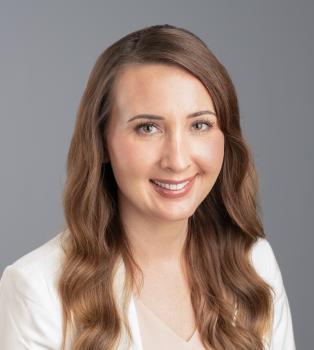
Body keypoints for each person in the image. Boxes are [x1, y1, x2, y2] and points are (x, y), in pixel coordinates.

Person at [0, 24, 296, 350]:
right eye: (148, 128)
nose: (178, 160)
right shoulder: (36, 290)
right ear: (100, 142)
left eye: (200, 124)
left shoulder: (254, 263)